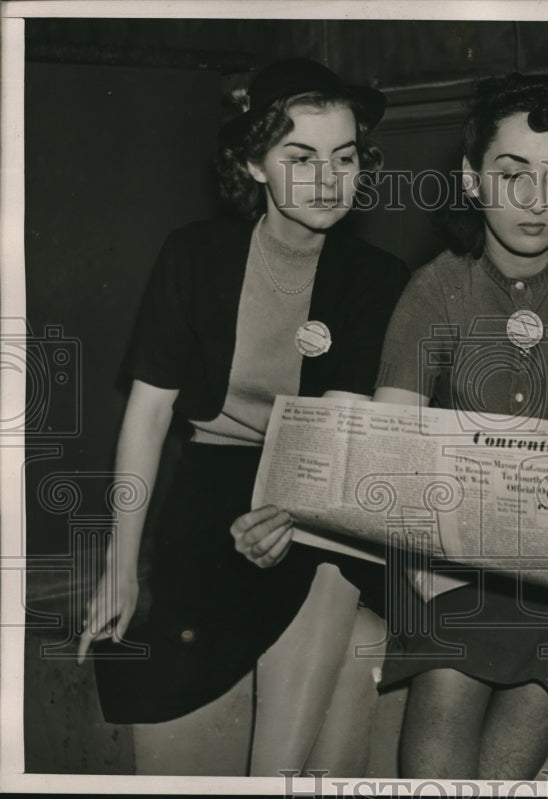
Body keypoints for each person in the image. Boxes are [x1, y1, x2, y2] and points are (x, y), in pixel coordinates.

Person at [76, 58, 409, 776]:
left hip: (323, 495)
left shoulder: (378, 279)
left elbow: (353, 437)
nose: (329, 179)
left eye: (345, 158)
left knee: (329, 577)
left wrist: (299, 510)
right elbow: (148, 415)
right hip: (210, 489)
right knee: (161, 682)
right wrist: (121, 564)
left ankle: (270, 780)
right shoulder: (194, 256)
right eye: (301, 156)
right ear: (254, 164)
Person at [368, 72, 548, 780]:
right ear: (471, 179)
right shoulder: (434, 286)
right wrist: (427, 560)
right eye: (512, 173)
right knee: (446, 682)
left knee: (534, 688)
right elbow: (391, 450)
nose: (536, 200)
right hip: (443, 546)